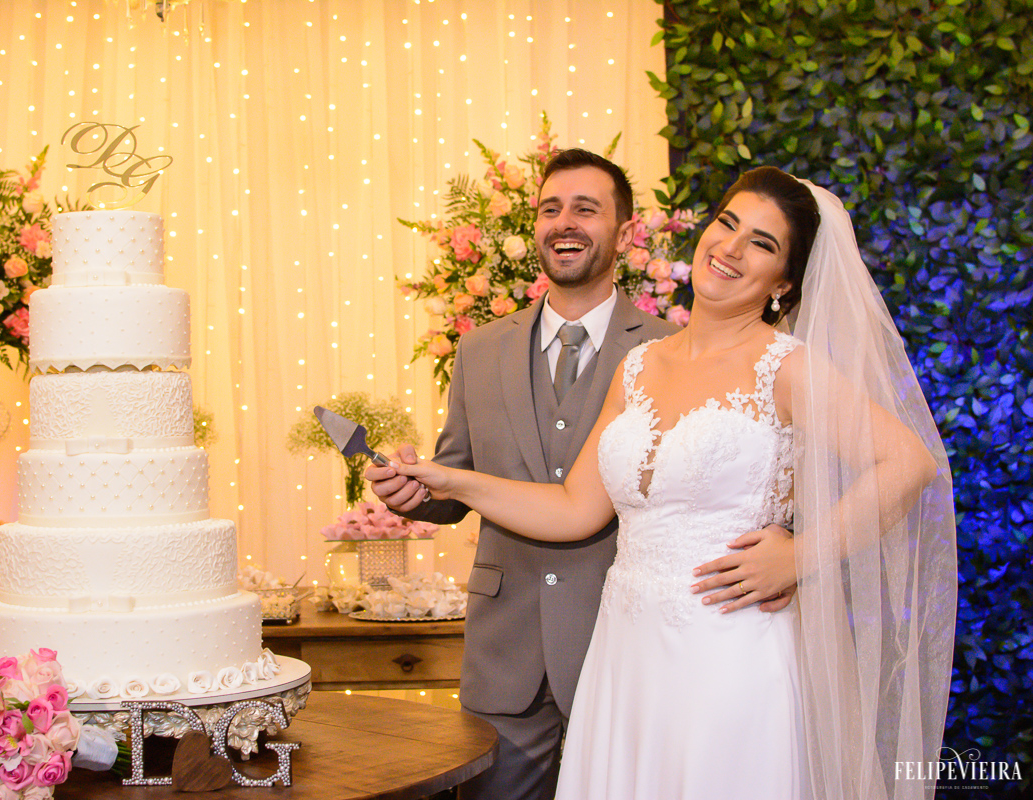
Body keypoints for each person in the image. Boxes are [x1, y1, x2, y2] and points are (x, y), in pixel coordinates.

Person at [390, 167, 957, 799]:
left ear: (785, 282)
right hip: (626, 654)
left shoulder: (787, 367)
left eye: (762, 244)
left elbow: (909, 463)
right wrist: (450, 480)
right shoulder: (639, 366)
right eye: (727, 223)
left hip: (730, 651)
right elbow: (574, 509)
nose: (731, 249)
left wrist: (801, 555)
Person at [366, 150, 800, 800]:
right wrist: (420, 492)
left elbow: (761, 474)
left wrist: (797, 547)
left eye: (585, 209)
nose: (564, 222)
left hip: (640, 648)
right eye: (550, 208)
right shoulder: (479, 351)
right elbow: (457, 482)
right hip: (505, 651)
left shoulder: (670, 350)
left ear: (625, 234)